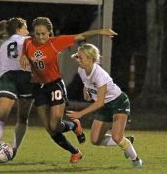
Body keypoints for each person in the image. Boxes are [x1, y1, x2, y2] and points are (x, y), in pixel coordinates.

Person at [20, 17, 117, 164]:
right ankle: (75, 152)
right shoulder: (27, 42)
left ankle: (74, 125)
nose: (40, 37)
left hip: (54, 85)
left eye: (44, 34)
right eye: (37, 34)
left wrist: (101, 32)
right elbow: (25, 50)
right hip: (38, 88)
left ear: (50, 33)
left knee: (55, 125)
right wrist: (23, 56)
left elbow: (82, 36)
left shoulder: (56, 42)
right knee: (49, 128)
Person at [67, 43, 143, 168]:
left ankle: (136, 160)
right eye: (77, 57)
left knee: (117, 136)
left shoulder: (100, 75)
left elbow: (99, 102)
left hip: (118, 102)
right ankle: (126, 140)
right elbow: (87, 83)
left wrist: (80, 113)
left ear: (90, 59)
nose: (78, 60)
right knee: (95, 140)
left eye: (80, 58)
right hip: (105, 106)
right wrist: (86, 90)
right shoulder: (81, 70)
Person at [0, 17, 34, 160]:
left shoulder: (4, 46)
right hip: (27, 78)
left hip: (8, 78)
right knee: (22, 118)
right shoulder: (29, 41)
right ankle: (14, 150)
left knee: (0, 118)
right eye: (25, 27)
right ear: (18, 29)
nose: (27, 31)